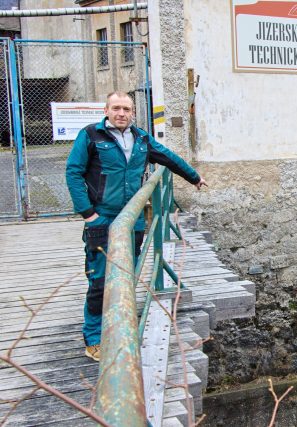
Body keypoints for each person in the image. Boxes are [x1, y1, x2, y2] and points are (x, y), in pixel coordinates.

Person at [66, 91, 207, 362]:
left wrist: (194, 177)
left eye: (127, 109)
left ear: (133, 112)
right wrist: (88, 213)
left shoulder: (141, 138)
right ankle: (94, 338)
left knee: (127, 274)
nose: (121, 113)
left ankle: (119, 324)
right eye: (116, 108)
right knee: (98, 279)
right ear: (107, 110)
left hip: (133, 218)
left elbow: (167, 158)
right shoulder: (91, 136)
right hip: (102, 218)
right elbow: (73, 172)